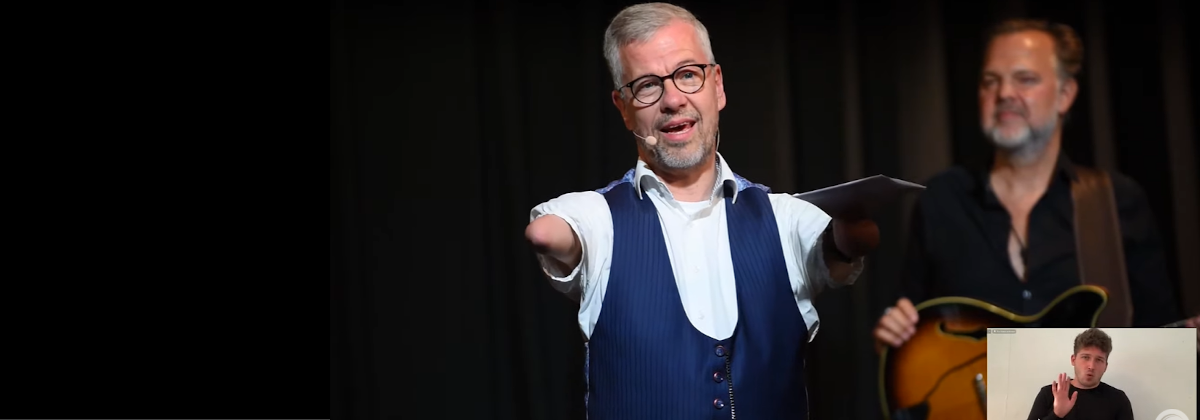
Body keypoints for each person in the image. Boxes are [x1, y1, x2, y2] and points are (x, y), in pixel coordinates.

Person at [524, 3, 880, 419]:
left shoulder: (785, 217)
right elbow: (550, 233)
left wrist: (848, 239)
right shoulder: (599, 219)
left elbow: (840, 245)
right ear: (623, 107)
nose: (673, 99)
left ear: (718, 86)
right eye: (647, 86)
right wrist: (550, 233)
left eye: (687, 75)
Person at [872, 18, 1199, 351]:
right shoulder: (940, 199)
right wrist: (893, 338)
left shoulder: (1118, 201)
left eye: (1025, 79)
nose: (1004, 94)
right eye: (990, 81)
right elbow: (908, 338)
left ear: (1066, 94)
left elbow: (1162, 339)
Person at [1024, 328, 1133, 420]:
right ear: (1073, 360)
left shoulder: (1118, 399)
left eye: (1099, 360)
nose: (1091, 366)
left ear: (1105, 366)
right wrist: (1057, 414)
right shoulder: (1049, 394)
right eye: (1085, 357)